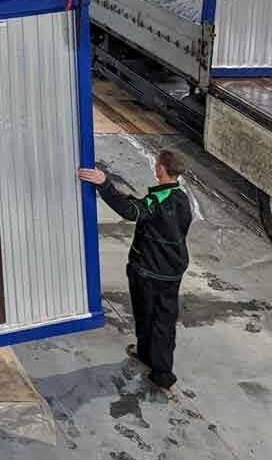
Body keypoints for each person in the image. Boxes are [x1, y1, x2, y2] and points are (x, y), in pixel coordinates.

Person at [78, 149, 192, 391]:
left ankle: (146, 355)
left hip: (149, 271)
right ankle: (162, 373)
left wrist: (104, 184)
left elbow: (132, 211)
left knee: (146, 315)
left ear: (160, 169)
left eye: (157, 163)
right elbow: (147, 210)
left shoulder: (157, 200)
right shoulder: (180, 196)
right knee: (165, 320)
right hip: (172, 271)